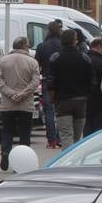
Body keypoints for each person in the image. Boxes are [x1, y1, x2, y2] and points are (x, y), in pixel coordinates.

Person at [0, 37, 41, 173]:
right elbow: (35, 82)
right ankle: (22, 160)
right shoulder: (32, 62)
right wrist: (22, 94)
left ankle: (5, 151)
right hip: (26, 104)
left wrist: (10, 93)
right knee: (25, 133)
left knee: (7, 130)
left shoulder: (3, 60)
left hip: (8, 104)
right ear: (25, 47)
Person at [47, 28, 93, 148]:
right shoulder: (84, 58)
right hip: (81, 101)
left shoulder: (55, 58)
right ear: (75, 41)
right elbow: (91, 80)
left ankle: (68, 159)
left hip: (63, 101)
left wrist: (52, 98)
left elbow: (51, 81)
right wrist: (87, 95)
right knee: (77, 135)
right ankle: (75, 156)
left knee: (66, 134)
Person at [35, 20, 64, 148]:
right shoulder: (63, 45)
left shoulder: (42, 46)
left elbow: (36, 65)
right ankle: (60, 138)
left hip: (47, 80)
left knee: (49, 111)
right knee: (61, 112)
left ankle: (51, 140)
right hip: (62, 82)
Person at [84, 37, 102, 135]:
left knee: (88, 131)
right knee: (101, 133)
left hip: (86, 101)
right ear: (99, 47)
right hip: (101, 103)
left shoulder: (84, 59)